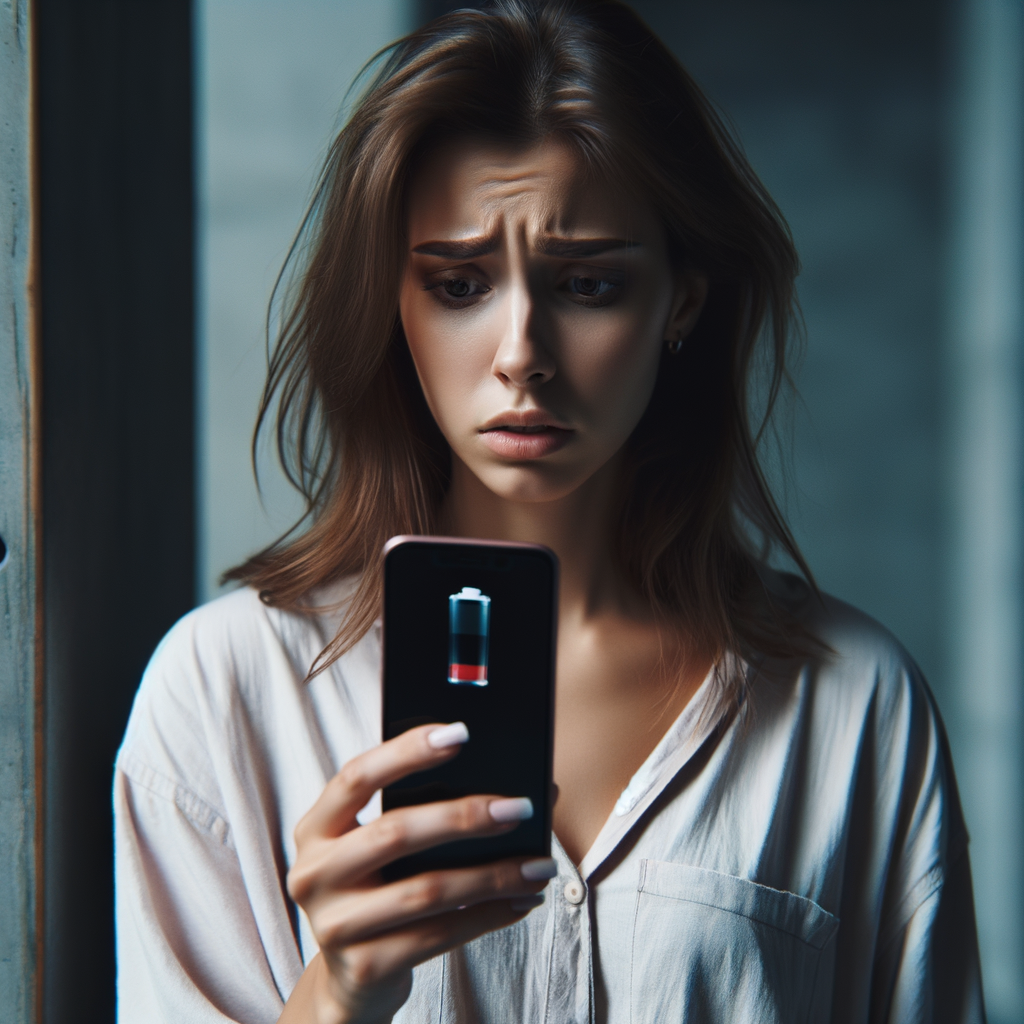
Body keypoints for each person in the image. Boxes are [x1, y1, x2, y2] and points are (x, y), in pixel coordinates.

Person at [113, 2, 985, 1021]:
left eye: (588, 283)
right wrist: (336, 989)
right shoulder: (224, 696)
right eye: (459, 282)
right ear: (393, 301)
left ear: (682, 301)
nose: (521, 350)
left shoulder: (853, 709)